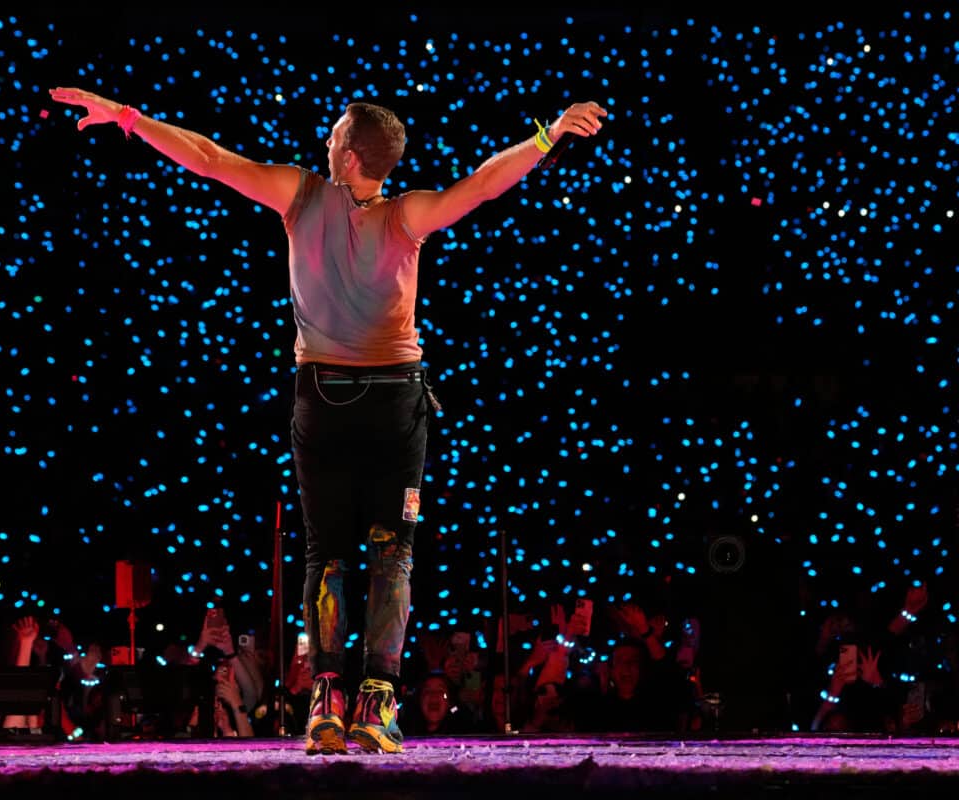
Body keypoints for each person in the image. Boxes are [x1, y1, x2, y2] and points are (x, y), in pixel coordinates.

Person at [49, 85, 608, 754]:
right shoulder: (408, 213)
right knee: (389, 553)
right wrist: (545, 139)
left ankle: (330, 701)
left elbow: (207, 158)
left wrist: (131, 119)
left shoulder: (300, 195)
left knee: (328, 557)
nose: (325, 141)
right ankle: (374, 702)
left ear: (345, 155)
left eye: (333, 135)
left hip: (324, 399)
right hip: (394, 405)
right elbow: (484, 183)